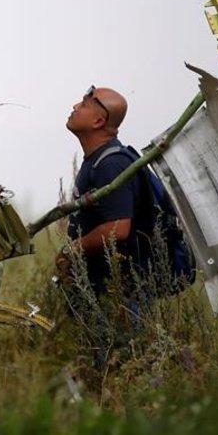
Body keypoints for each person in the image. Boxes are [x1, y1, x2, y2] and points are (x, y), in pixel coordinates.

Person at [54, 85, 152, 294]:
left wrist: (72, 249)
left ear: (98, 121)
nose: (75, 106)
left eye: (84, 104)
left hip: (120, 293)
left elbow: (118, 227)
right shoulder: (97, 160)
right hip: (102, 287)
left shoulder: (111, 164)